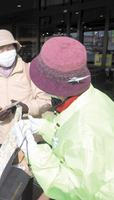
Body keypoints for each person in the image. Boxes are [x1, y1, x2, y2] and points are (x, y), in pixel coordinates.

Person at [14, 36, 114, 199]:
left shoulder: (86, 132)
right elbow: (70, 134)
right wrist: (42, 127)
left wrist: (35, 153)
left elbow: (73, 188)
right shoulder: (96, 98)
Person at [0, 29, 51, 200]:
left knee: (25, 178)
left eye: (8, 47)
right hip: (2, 136)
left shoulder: (30, 69)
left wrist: (27, 108)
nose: (4, 53)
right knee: (5, 176)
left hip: (27, 136)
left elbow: (45, 100)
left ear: (15, 48)